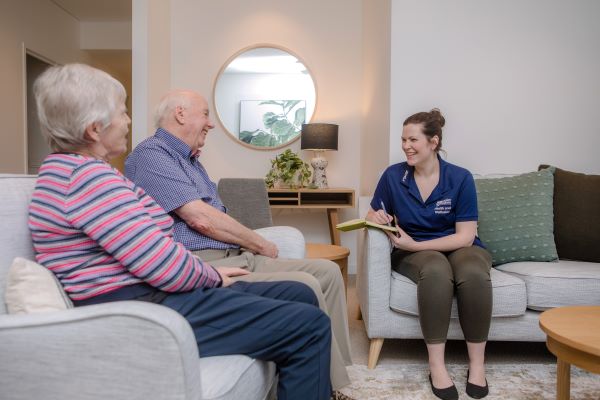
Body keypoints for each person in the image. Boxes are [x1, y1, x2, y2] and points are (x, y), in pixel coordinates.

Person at [28, 63, 334, 400]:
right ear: (93, 128)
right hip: (142, 310)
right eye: (122, 111)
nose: (129, 120)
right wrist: (213, 277)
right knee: (309, 326)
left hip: (152, 295)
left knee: (299, 294)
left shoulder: (77, 172)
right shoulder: (88, 179)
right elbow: (159, 263)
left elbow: (152, 243)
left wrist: (206, 272)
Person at [124, 89, 353, 391]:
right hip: (207, 260)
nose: (211, 123)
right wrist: (259, 243)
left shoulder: (191, 160)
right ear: (180, 114)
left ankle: (337, 380)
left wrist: (249, 244)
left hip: (234, 254)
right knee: (305, 283)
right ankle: (330, 385)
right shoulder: (151, 155)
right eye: (205, 113)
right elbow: (201, 218)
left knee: (328, 272)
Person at [366, 109, 492, 400]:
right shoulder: (393, 176)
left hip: (455, 247)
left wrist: (412, 245)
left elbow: (466, 236)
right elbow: (373, 212)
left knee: (473, 272)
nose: (406, 146)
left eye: (413, 139)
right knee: (435, 270)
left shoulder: (460, 178)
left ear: (433, 142)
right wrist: (378, 219)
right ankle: (437, 366)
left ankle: (477, 366)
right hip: (419, 256)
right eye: (403, 139)